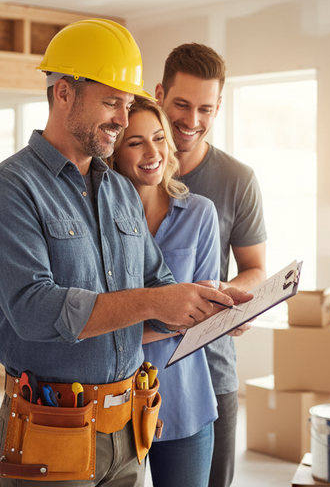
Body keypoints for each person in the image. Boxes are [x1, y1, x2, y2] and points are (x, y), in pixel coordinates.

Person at [0, 19, 248, 487]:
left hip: (127, 426)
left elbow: (158, 282)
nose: (123, 118)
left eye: (126, 103)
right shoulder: (9, 190)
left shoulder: (118, 191)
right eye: (111, 102)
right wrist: (158, 301)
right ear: (63, 94)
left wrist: (209, 307)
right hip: (51, 423)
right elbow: (33, 311)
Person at [156, 43, 268, 487]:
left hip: (209, 368)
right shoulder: (121, 167)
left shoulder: (237, 179)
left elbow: (256, 268)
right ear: (160, 93)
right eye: (181, 104)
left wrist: (221, 294)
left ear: (219, 105)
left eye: (206, 108)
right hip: (127, 370)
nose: (191, 121)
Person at [107, 96, 220, 487]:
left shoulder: (201, 214)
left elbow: (206, 314)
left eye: (158, 137)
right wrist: (176, 315)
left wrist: (125, 323)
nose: (152, 151)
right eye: (135, 142)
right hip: (115, 405)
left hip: (186, 398)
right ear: (115, 153)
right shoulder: (98, 223)